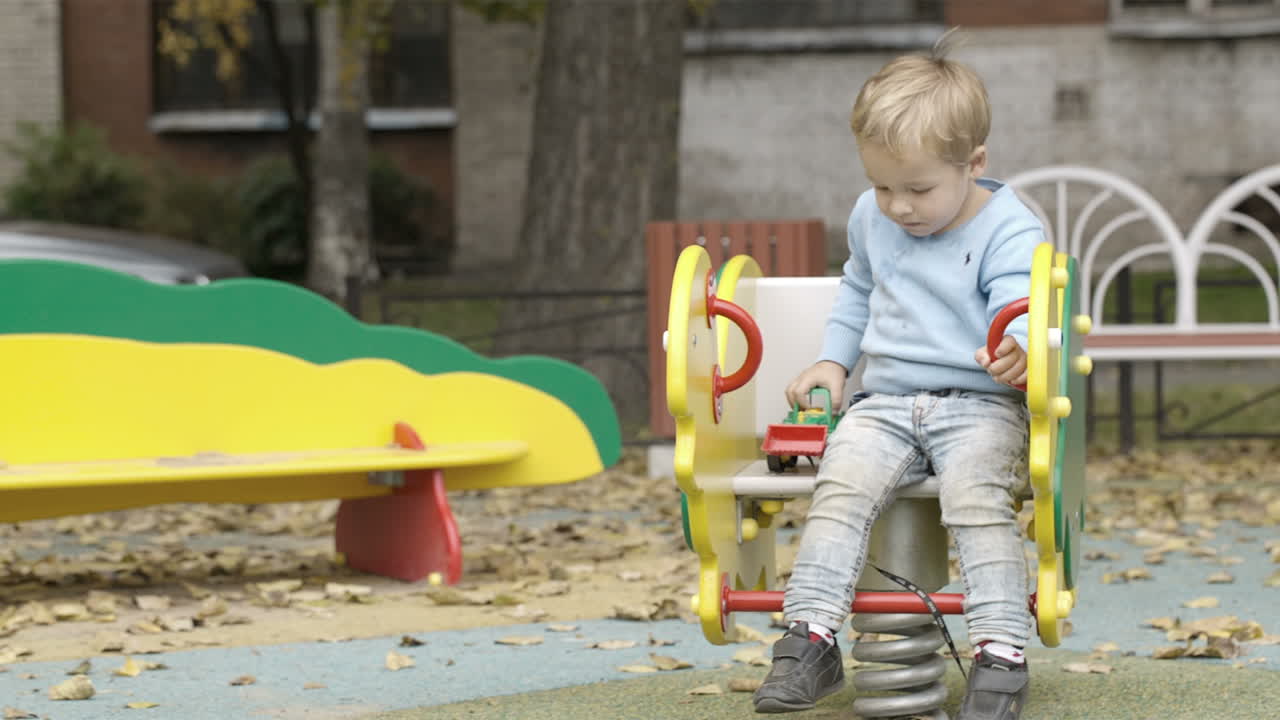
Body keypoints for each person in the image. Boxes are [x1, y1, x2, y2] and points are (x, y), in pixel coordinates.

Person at [752, 31, 1042, 720]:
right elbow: (857, 290)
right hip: (884, 403)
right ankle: (810, 639)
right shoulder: (871, 217)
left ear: (974, 164)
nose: (899, 206)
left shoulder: (1009, 228)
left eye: (918, 188)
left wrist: (1025, 346)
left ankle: (1000, 652)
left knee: (975, 499)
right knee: (839, 488)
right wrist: (832, 360)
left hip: (981, 405)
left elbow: (1025, 303)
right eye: (882, 185)